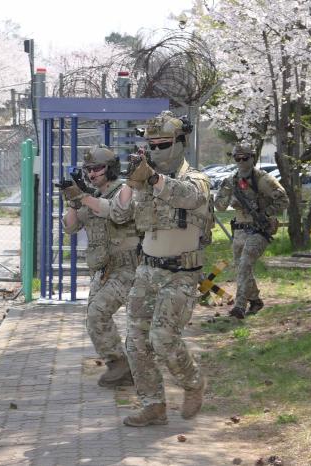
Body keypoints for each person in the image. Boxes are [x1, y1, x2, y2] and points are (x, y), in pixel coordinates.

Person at [110, 111, 209, 427]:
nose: (155, 150)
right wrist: (132, 182)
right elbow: (119, 213)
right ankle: (154, 405)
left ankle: (193, 383)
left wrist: (154, 179)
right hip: (147, 272)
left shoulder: (195, 179)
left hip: (180, 274)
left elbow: (190, 198)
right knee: (136, 342)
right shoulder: (144, 182)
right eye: (150, 145)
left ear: (181, 143)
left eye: (163, 144)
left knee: (163, 337)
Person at [60, 145, 140, 387]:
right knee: (94, 319)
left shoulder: (124, 191)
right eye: (88, 170)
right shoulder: (90, 195)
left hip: (127, 267)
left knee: (99, 315)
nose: (92, 174)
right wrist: (73, 202)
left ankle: (125, 366)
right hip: (103, 270)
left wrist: (83, 197)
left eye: (97, 168)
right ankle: (120, 365)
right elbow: (71, 227)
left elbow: (117, 213)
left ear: (111, 168)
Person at [214, 143, 288, 319]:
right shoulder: (231, 180)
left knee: (245, 263)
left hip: (259, 229)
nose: (241, 161)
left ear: (252, 158)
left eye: (244, 158)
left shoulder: (263, 179)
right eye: (237, 158)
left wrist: (264, 213)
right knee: (241, 268)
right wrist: (230, 197)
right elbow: (219, 206)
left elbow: (284, 200)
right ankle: (255, 300)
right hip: (239, 230)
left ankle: (240, 306)